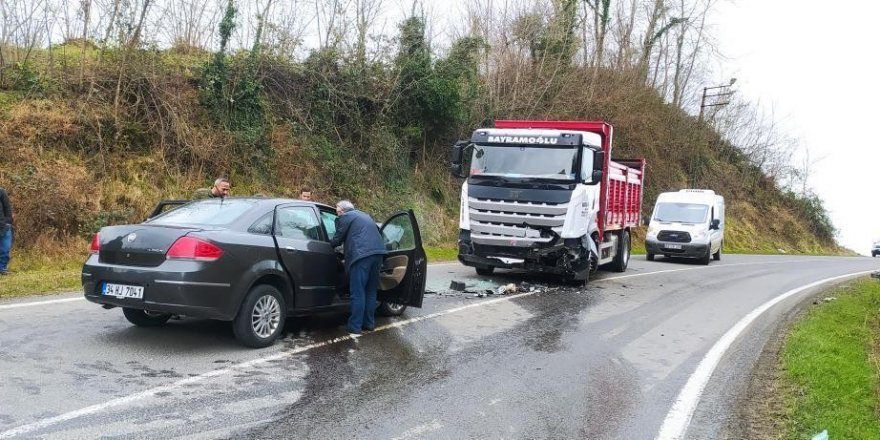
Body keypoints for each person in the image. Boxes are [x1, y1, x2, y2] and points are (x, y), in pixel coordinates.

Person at [330, 200, 387, 335]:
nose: (337, 214)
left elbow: (337, 240)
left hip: (362, 256)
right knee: (370, 290)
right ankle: (369, 323)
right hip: (378, 254)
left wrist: (326, 245)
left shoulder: (345, 217)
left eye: (337, 211)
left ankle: (355, 326)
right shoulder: (365, 215)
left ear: (343, 211)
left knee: (358, 291)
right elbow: (378, 233)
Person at [0, 186, 12, 275]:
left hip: (3, 225)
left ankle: (2, 269)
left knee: (5, 248)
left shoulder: (1, 192)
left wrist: (7, 223)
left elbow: (7, 208)